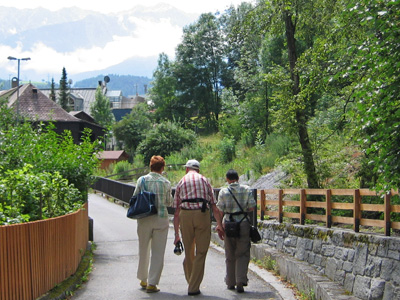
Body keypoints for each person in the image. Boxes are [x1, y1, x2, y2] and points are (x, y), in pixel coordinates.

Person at [173, 159, 224, 296]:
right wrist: (219, 224)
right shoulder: (204, 180)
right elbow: (213, 205)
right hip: (202, 215)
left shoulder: (181, 182)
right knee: (201, 251)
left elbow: (176, 212)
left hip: (185, 216)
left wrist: (176, 234)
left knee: (189, 250)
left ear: (186, 169)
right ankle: (193, 286)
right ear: (198, 170)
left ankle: (191, 282)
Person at [132, 155, 173, 293]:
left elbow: (135, 196)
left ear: (150, 166)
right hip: (161, 218)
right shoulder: (166, 182)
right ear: (162, 168)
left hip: (144, 218)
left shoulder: (141, 180)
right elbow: (169, 202)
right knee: (158, 252)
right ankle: (152, 283)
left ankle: (143, 279)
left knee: (143, 248)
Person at [216, 169, 256, 293]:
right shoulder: (246, 189)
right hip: (243, 223)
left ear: (227, 179)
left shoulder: (223, 191)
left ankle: (230, 282)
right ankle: (240, 281)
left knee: (230, 253)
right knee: (242, 253)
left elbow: (220, 210)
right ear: (238, 178)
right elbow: (251, 207)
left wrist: (219, 226)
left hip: (228, 224)